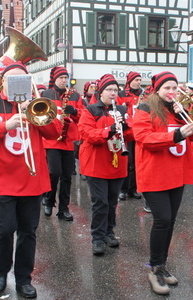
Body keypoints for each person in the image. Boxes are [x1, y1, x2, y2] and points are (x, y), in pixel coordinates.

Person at [0, 62, 61, 298]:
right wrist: (3, 125)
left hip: (30, 179)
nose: (19, 83)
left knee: (28, 231)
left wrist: (35, 109)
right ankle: (0, 270)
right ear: (4, 82)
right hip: (1, 179)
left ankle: (23, 279)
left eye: (24, 79)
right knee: (3, 229)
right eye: (13, 79)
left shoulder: (35, 104)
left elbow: (54, 132)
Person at [132, 71, 193, 295]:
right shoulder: (145, 108)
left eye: (174, 88)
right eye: (167, 88)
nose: (172, 92)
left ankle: (161, 264)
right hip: (154, 174)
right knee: (162, 220)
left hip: (176, 173)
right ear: (157, 89)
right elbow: (143, 137)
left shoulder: (178, 110)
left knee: (170, 221)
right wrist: (175, 135)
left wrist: (186, 116)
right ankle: (154, 268)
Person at [79, 73, 133, 255]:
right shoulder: (91, 110)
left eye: (115, 90)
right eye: (109, 90)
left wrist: (127, 128)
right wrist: (109, 130)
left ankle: (109, 232)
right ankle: (98, 237)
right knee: (100, 202)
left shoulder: (123, 111)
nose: (112, 93)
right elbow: (87, 134)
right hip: (96, 163)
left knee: (112, 201)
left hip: (116, 162)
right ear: (101, 92)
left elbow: (133, 135)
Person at [40, 66, 82, 222]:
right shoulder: (46, 94)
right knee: (54, 172)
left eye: (66, 77)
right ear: (55, 79)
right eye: (61, 77)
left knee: (67, 176)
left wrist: (76, 112)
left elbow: (83, 115)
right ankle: (49, 201)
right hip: (51, 140)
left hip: (68, 141)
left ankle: (64, 209)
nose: (64, 80)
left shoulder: (75, 95)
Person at [117, 71, 143, 201]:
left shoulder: (142, 95)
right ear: (130, 81)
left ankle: (134, 188)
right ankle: (123, 189)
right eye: (136, 79)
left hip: (139, 131)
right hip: (128, 131)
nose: (139, 82)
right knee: (128, 162)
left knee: (137, 162)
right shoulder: (121, 95)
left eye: (140, 80)